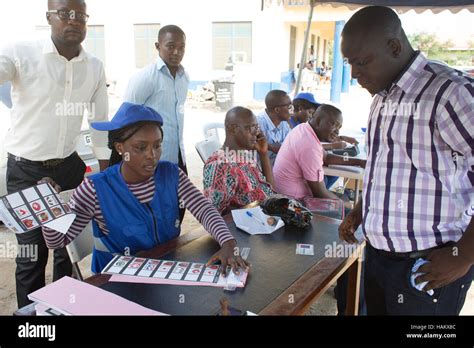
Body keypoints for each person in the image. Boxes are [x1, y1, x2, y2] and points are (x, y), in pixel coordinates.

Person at [339, 6, 473, 315]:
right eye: (350, 63)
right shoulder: (381, 99)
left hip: (430, 264)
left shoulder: (448, 93)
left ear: (395, 47)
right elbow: (384, 168)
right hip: (379, 259)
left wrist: (464, 254)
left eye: (361, 62)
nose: (355, 73)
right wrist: (361, 212)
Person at [41, 102, 249, 275]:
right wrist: (48, 206)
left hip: (166, 270)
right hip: (117, 281)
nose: (152, 155)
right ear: (120, 148)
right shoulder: (96, 188)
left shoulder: (171, 174)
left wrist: (228, 244)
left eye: (157, 145)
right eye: (141, 148)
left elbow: (204, 210)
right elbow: (58, 240)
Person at [0, 0, 109, 308]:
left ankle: (63, 310)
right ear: (49, 17)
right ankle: (30, 323)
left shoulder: (95, 66)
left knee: (66, 249)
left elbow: (99, 122)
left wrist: (103, 172)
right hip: (26, 173)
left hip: (69, 168)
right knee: (31, 255)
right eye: (65, 14)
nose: (73, 21)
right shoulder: (21, 53)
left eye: (80, 16)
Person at [124, 25, 188, 173]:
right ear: (158, 46)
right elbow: (126, 120)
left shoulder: (184, 78)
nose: (177, 52)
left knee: (178, 196)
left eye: (181, 47)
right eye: (170, 46)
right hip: (151, 162)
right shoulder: (145, 78)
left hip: (178, 159)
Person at [273, 104, 365, 204]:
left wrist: (359, 162)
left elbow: (327, 158)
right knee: (347, 208)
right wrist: (344, 205)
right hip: (293, 202)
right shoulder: (309, 145)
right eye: (334, 124)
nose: (337, 131)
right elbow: (319, 193)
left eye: (339, 127)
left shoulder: (303, 128)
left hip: (288, 193)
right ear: (318, 121)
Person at [203, 106, 275, 215]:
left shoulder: (245, 154)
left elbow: (270, 189)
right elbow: (215, 214)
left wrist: (263, 154)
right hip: (247, 226)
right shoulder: (220, 164)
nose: (255, 133)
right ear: (232, 129)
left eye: (256, 127)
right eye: (249, 128)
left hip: (266, 217)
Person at [256, 90, 292, 166]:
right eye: (289, 107)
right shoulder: (257, 124)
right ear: (277, 110)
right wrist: (271, 147)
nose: (292, 110)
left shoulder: (284, 123)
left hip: (277, 167)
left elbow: (292, 145)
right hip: (260, 170)